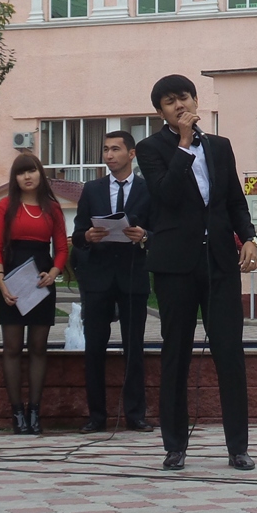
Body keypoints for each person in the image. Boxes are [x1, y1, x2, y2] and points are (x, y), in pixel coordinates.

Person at [135, 74, 257, 472]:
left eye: (184, 97)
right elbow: (166, 194)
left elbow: (234, 201)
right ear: (160, 112)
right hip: (175, 266)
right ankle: (175, 446)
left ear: (195, 100)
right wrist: (184, 145)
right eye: (170, 101)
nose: (180, 105)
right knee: (176, 353)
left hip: (220, 263)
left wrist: (250, 237)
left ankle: (238, 447)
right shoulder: (150, 149)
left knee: (230, 353)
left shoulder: (220, 147)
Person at [71, 130, 153, 434]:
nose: (109, 155)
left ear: (131, 154)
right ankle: (96, 416)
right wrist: (87, 236)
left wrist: (144, 235)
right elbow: (78, 234)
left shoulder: (148, 189)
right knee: (94, 348)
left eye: (115, 149)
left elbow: (159, 231)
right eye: (105, 149)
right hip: (98, 279)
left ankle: (135, 415)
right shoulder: (92, 189)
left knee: (134, 348)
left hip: (133, 276)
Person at [0, 153, 69, 435]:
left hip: (41, 281)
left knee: (38, 347)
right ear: (15, 178)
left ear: (40, 174)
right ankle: (17, 413)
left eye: (32, 171)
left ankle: (35, 412)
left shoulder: (52, 208)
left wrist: (54, 272)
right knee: (12, 348)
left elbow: (62, 248)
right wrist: (1, 282)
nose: (27, 176)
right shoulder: (5, 206)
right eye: (21, 172)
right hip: (11, 280)